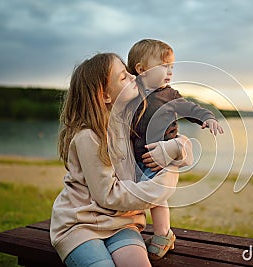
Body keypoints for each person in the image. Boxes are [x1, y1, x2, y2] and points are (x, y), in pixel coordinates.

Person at [50, 53, 193, 267]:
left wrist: (173, 148)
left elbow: (183, 150)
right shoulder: (88, 136)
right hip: (80, 225)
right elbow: (107, 196)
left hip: (123, 223)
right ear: (105, 95)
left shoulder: (130, 122)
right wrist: (161, 187)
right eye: (123, 77)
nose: (134, 77)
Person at [127, 39, 224, 259]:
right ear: (141, 69)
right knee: (135, 196)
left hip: (161, 157)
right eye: (164, 66)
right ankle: (132, 230)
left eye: (172, 66)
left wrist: (207, 117)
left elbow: (190, 108)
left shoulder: (169, 95)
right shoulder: (130, 93)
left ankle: (163, 234)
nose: (170, 71)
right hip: (136, 158)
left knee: (157, 197)